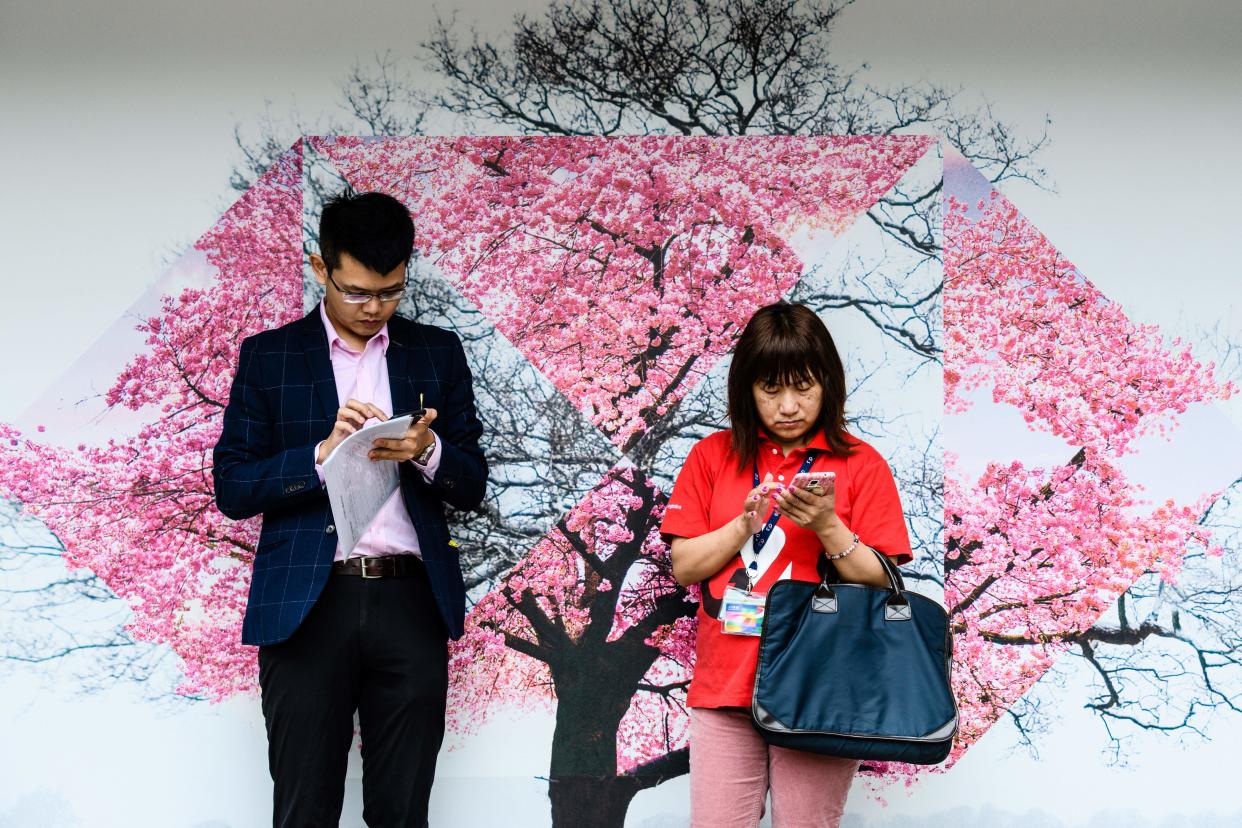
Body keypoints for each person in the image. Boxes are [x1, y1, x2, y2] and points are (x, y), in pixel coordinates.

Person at [213, 190, 487, 827]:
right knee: (304, 809)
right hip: (307, 607)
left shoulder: (436, 350)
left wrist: (428, 450)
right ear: (321, 269)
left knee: (402, 811)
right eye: (358, 292)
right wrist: (318, 455)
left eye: (390, 292)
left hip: (410, 600)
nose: (374, 309)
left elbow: (472, 485)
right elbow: (232, 487)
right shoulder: (269, 356)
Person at [661, 302, 912, 828]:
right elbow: (683, 566)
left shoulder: (861, 464)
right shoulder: (712, 456)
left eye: (804, 387)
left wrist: (827, 525)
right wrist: (742, 526)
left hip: (820, 688)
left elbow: (884, 581)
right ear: (746, 390)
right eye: (771, 389)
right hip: (724, 688)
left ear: (829, 383)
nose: (790, 405)